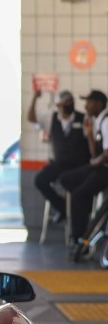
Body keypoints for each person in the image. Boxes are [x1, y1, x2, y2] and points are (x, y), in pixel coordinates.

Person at [26, 89, 90, 223]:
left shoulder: (84, 118)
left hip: (79, 166)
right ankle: (62, 207)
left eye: (70, 101)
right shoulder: (52, 118)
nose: (68, 104)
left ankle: (76, 219)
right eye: (65, 102)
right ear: (58, 105)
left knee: (72, 185)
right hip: (60, 163)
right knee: (40, 180)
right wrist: (35, 98)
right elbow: (31, 118)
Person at [58, 89, 108, 259]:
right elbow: (95, 154)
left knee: (79, 196)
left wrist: (95, 162)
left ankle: (80, 240)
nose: (86, 105)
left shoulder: (106, 122)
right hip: (99, 167)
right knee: (66, 179)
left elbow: (105, 155)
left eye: (89, 102)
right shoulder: (97, 123)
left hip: (104, 170)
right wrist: (89, 136)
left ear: (99, 104)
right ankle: (84, 204)